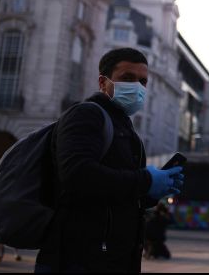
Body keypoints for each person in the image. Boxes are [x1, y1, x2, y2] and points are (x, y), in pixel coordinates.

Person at [35, 47, 184, 273]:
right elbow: (77, 174)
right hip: (77, 258)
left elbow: (117, 196)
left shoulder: (126, 127)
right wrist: (145, 180)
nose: (137, 87)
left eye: (143, 82)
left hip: (115, 259)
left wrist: (151, 194)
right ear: (103, 83)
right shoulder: (86, 115)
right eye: (127, 78)